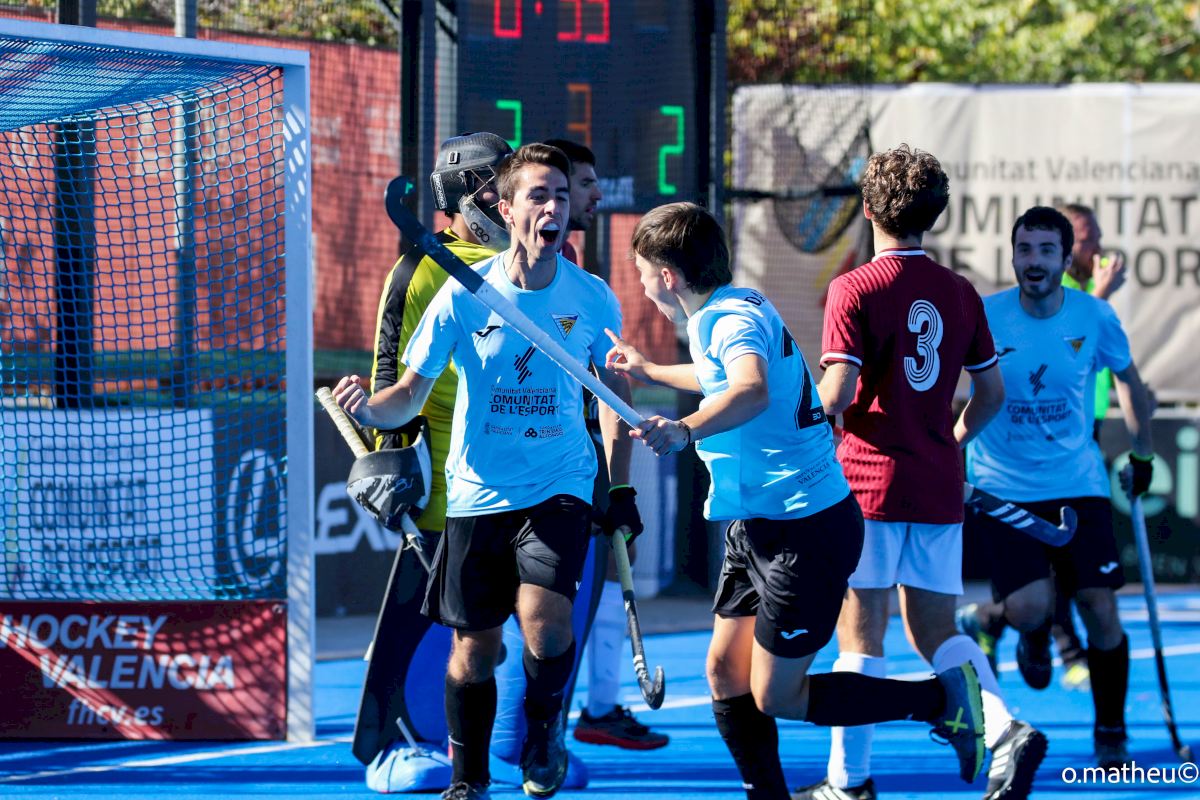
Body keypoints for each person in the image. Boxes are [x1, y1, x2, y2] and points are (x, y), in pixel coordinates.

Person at [605, 201, 988, 800]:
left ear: (668, 276)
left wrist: (684, 429)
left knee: (777, 694)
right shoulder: (731, 307)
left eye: (643, 271)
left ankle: (941, 700)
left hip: (806, 531)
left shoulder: (726, 321)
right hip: (757, 524)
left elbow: (750, 389)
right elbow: (719, 376)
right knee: (724, 672)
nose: (643, 283)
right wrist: (651, 369)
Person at [335, 143, 642, 800]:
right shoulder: (459, 295)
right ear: (505, 208)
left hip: (559, 484)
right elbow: (407, 395)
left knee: (545, 622)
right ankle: (468, 779)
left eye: (561, 196)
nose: (554, 207)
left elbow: (615, 396)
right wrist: (368, 409)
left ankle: (543, 734)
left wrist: (618, 485)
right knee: (474, 648)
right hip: (475, 490)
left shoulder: (591, 296)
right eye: (538, 195)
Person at [802, 145, 1044, 800]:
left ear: (868, 208)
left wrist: (789, 415)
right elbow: (991, 395)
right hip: (936, 484)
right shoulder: (960, 292)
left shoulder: (854, 287)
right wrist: (948, 444)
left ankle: (848, 783)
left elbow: (838, 395)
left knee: (861, 634)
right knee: (936, 630)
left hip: (868, 484)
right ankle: (1006, 728)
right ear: (935, 213)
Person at [965, 205, 1155, 770]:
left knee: (1100, 608)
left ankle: (1111, 730)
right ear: (1013, 256)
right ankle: (1028, 631)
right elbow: (942, 385)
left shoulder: (1094, 316)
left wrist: (1142, 453)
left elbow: (1129, 380)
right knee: (1030, 608)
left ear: (1066, 259)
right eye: (1025, 250)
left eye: (1047, 251)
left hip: (1077, 481)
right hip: (1003, 485)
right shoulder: (985, 316)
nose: (1035, 261)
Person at [541, 137, 669, 752]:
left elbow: (611, 378)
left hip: (587, 449)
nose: (596, 194)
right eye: (585, 183)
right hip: (538, 459)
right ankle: (542, 723)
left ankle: (597, 706)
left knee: (616, 559)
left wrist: (619, 483)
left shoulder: (582, 279)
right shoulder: (522, 269)